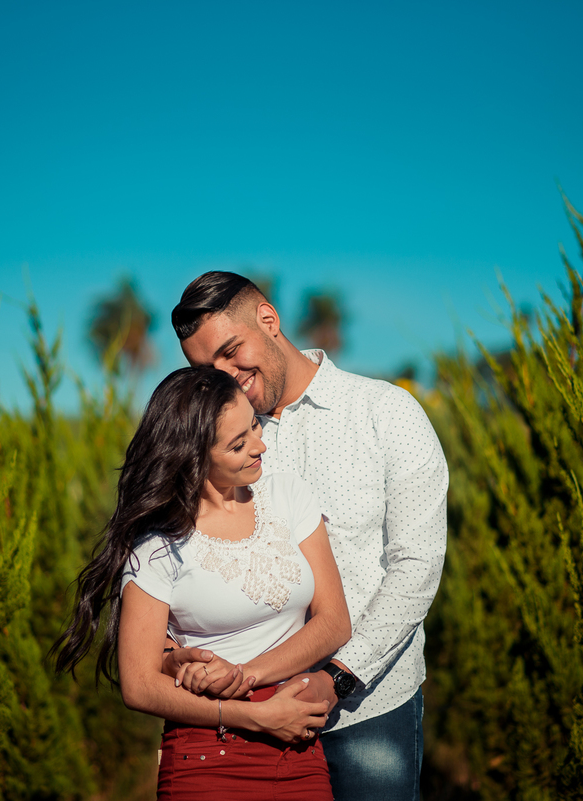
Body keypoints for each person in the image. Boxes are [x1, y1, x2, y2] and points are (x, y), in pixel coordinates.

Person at [166, 272, 449, 801]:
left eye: (231, 351)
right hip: (249, 719)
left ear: (268, 320)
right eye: (207, 369)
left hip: (370, 708)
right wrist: (171, 653)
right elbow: (179, 559)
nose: (225, 377)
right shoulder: (211, 442)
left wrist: (339, 677)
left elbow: (417, 566)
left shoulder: (386, 413)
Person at [51, 366, 352, 800]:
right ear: (193, 456)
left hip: (296, 741)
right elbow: (138, 684)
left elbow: (335, 623)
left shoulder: (289, 495)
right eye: (237, 444)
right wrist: (252, 715)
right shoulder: (157, 547)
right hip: (207, 757)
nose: (260, 445)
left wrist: (243, 675)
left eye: (253, 426)